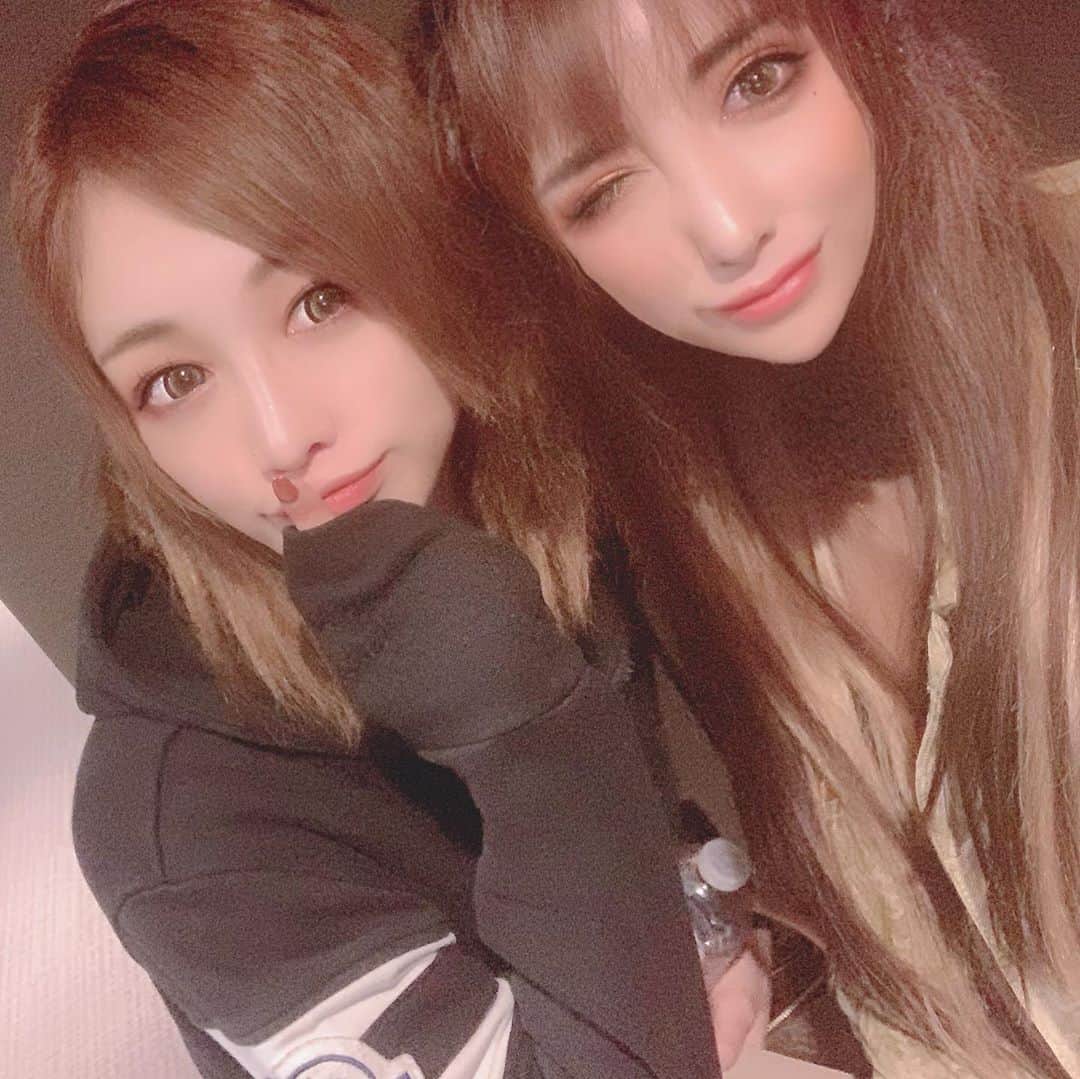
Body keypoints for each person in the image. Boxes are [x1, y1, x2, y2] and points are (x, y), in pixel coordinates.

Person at [8, 1, 727, 1075]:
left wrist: (702, 920)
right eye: (175, 379)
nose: (280, 435)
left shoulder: (534, 491)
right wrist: (533, 731)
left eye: (319, 301)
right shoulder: (191, 835)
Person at [413, 0, 1080, 1075]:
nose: (727, 227)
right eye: (602, 190)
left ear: (862, 33)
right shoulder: (670, 515)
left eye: (757, 79)